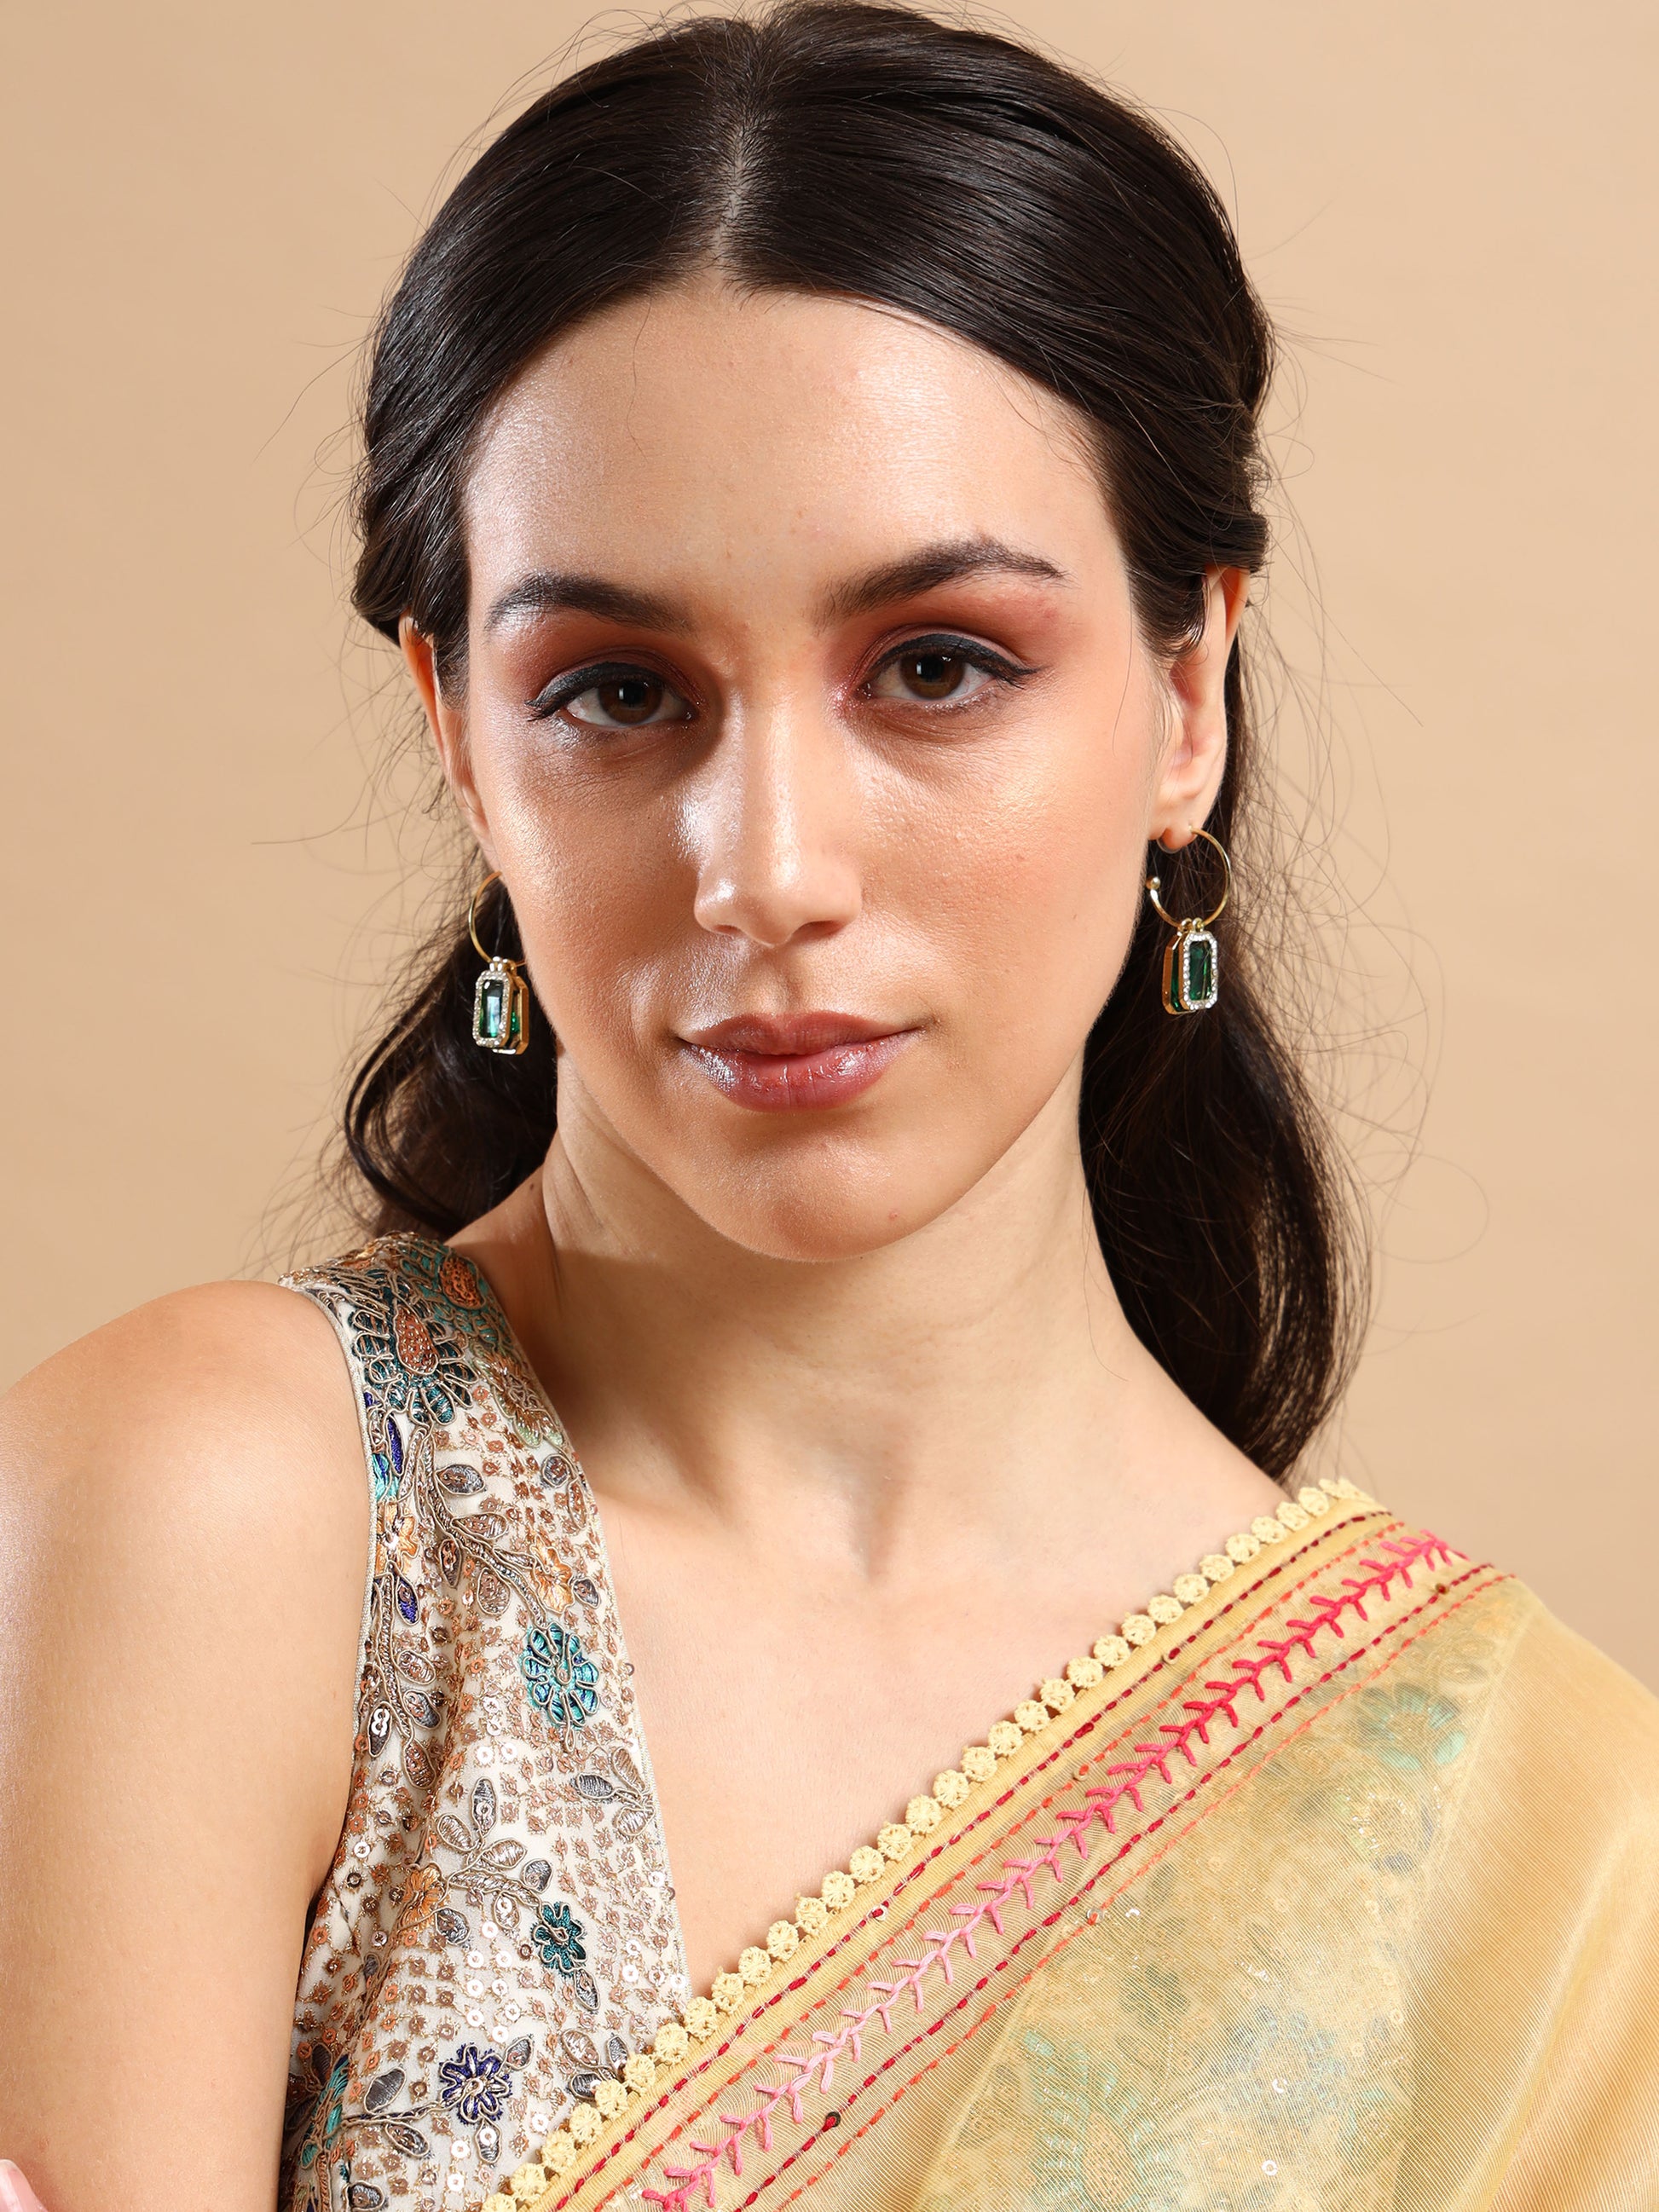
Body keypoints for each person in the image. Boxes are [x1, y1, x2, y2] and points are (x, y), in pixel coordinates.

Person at [3, 5, 1656, 2209]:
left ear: (1186, 694)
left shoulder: (1531, 1852)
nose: (766, 867)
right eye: (616, 691)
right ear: (458, 732)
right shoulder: (218, 1512)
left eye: (937, 666)